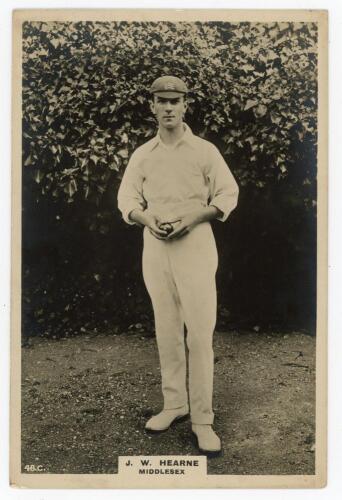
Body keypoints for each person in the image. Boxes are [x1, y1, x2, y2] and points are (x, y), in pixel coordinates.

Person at [117, 75, 239, 455]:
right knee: (166, 328)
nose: (168, 107)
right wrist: (146, 219)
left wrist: (193, 217)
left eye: (175, 100)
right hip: (155, 248)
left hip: (196, 246)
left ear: (186, 104)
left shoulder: (204, 150)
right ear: (151, 105)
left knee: (199, 334)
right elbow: (127, 198)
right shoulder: (143, 154)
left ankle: (203, 420)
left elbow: (227, 193)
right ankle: (175, 404)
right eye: (161, 100)